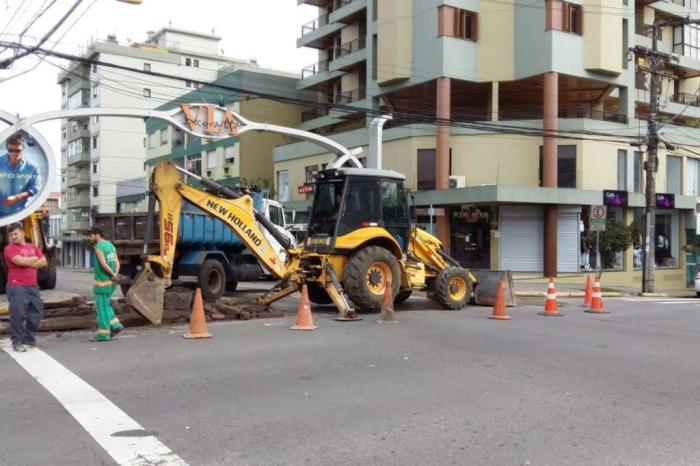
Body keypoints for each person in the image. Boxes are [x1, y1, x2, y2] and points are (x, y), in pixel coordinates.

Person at [3, 222, 46, 352]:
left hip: (32, 286)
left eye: (15, 233)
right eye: (11, 235)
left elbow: (44, 262)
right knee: (18, 314)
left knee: (36, 312)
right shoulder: (9, 249)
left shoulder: (33, 246)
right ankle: (17, 341)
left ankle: (29, 338)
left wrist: (29, 261)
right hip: (16, 285)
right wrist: (34, 259)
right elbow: (20, 261)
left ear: (23, 233)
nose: (13, 237)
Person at [88, 226, 123, 342]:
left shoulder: (98, 248)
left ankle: (103, 334)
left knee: (102, 309)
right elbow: (117, 263)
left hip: (102, 284)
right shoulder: (110, 245)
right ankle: (116, 325)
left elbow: (103, 265)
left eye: (91, 235)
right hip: (111, 284)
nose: (89, 238)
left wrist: (112, 274)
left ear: (96, 234)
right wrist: (115, 274)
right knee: (106, 305)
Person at [0, 133, 40, 216]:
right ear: (7, 147)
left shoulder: (32, 166)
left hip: (21, 211)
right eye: (10, 150)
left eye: (17, 150)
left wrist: (17, 197)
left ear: (23, 148)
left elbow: (36, 187)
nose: (14, 153)